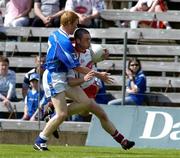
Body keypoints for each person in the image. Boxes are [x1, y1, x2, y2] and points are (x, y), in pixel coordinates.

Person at [33, 11, 134, 151]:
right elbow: (76, 66)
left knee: (85, 103)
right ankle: (40, 140)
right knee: (62, 114)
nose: (76, 27)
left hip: (62, 76)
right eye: (74, 24)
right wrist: (98, 75)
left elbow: (85, 51)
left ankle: (52, 117)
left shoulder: (57, 34)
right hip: (55, 76)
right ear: (68, 23)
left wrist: (101, 55)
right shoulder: (66, 43)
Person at [70, 28, 109, 121]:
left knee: (84, 113)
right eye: (87, 39)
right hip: (80, 88)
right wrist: (98, 74)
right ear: (78, 41)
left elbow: (96, 57)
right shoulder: (72, 53)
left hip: (90, 86)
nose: (89, 42)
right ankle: (57, 113)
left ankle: (57, 112)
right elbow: (78, 68)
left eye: (90, 39)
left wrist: (103, 55)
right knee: (102, 115)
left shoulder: (88, 50)